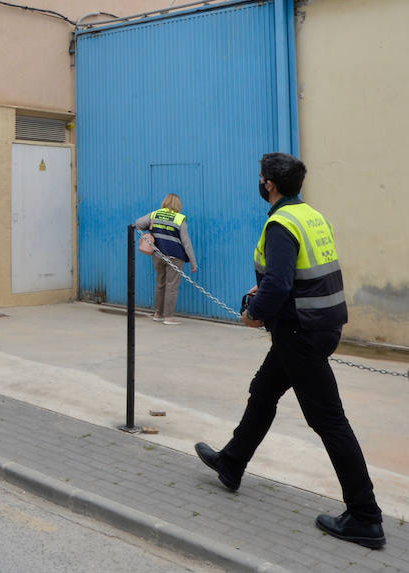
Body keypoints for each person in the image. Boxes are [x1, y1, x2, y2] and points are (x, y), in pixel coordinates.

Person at [194, 152, 385, 550]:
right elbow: (299, 276)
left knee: (330, 422)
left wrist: (255, 315)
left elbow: (280, 284)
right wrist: (265, 295)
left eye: (260, 177)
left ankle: (365, 517)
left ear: (269, 184)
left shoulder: (280, 223)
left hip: (301, 333)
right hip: (317, 326)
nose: (260, 182)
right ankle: (231, 463)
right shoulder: (313, 216)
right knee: (263, 390)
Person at [132, 193, 198, 324]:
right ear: (178, 205)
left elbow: (138, 223)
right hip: (175, 257)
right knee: (172, 286)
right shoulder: (179, 218)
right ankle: (168, 317)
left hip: (157, 255)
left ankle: (158, 314)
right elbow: (186, 242)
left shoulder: (154, 215)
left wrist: (150, 231)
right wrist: (193, 263)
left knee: (160, 284)